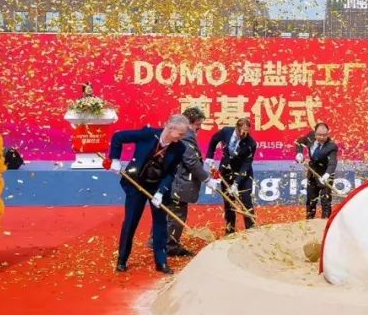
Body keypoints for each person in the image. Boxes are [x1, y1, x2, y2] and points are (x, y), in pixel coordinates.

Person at [107, 114, 190, 273]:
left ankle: (161, 262)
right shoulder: (148, 134)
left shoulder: (180, 147)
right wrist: (115, 159)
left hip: (157, 187)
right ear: (170, 128)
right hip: (136, 184)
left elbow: (171, 173)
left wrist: (161, 192)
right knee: (131, 221)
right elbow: (118, 137)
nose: (182, 137)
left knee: (160, 224)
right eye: (180, 134)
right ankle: (122, 260)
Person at [167, 107, 216, 255]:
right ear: (189, 122)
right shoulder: (186, 135)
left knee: (170, 212)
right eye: (198, 125)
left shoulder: (179, 132)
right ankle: (170, 246)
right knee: (177, 214)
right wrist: (206, 178)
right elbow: (191, 162)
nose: (199, 128)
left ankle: (158, 240)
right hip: (179, 181)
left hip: (173, 179)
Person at [206, 116, 257, 235]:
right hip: (226, 171)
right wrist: (209, 156)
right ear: (236, 128)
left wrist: (236, 184)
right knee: (229, 202)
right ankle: (230, 231)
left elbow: (246, 164)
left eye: (246, 133)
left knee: (246, 201)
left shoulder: (251, 143)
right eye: (241, 132)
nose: (244, 135)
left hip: (243, 174)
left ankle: (251, 231)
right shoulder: (226, 132)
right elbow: (214, 140)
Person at [296, 123, 338, 219]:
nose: (322, 137)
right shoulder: (310, 137)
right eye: (319, 135)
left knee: (325, 200)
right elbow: (299, 142)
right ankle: (309, 221)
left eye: (324, 135)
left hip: (326, 174)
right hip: (312, 173)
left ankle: (325, 222)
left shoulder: (332, 146)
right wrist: (299, 154)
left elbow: (332, 163)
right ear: (315, 133)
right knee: (311, 199)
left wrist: (327, 175)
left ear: (327, 134)